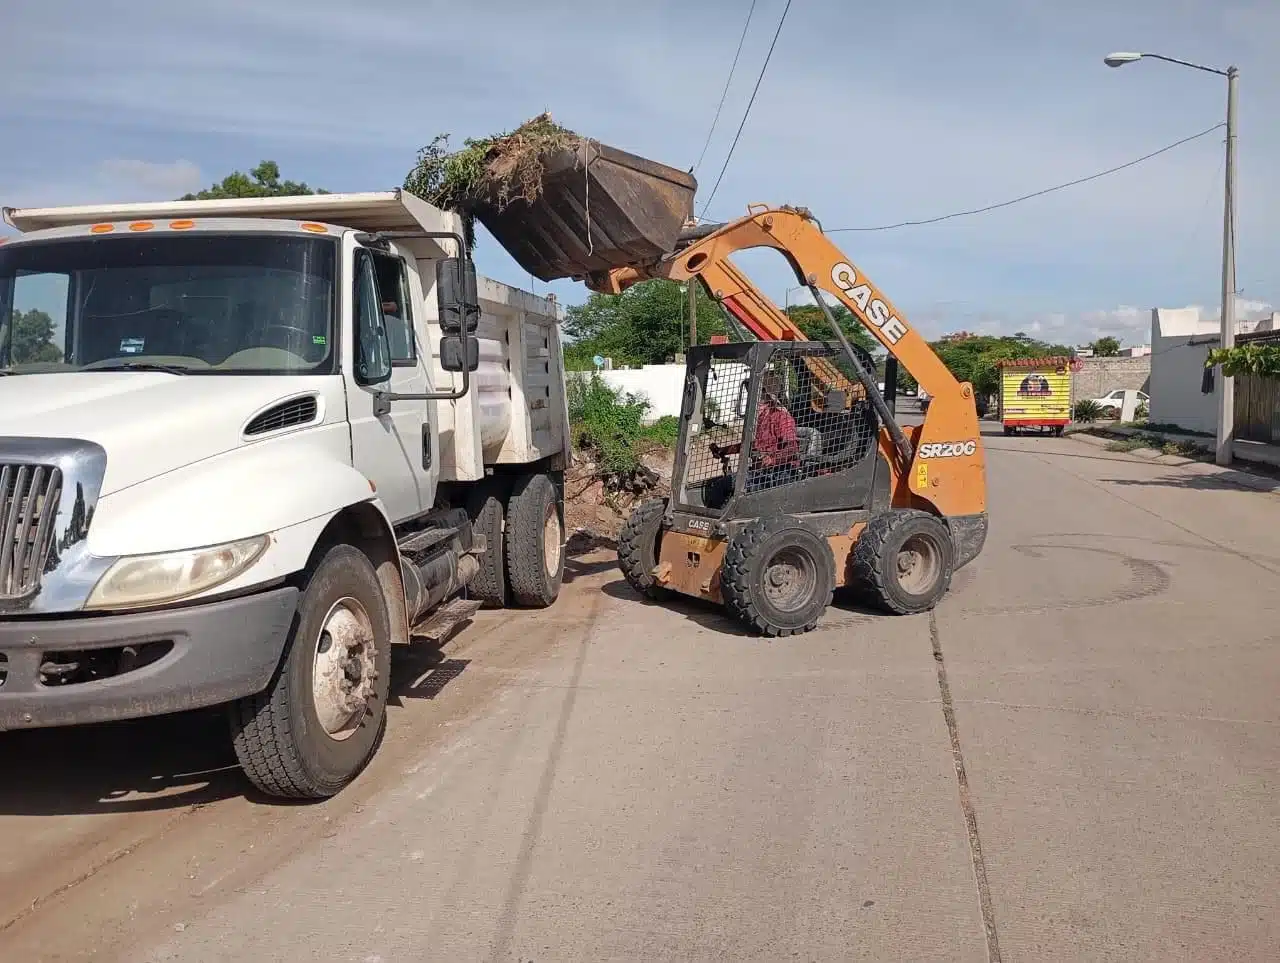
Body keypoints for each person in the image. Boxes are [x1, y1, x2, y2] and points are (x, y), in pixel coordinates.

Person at [709, 369, 799, 492]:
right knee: (721, 485)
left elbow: (792, 449)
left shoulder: (782, 418)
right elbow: (751, 447)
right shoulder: (761, 419)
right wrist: (723, 451)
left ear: (768, 396)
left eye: (756, 395)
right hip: (762, 473)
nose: (751, 400)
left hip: (781, 473)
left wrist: (773, 459)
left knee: (726, 487)